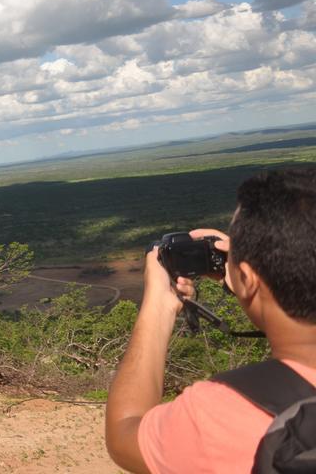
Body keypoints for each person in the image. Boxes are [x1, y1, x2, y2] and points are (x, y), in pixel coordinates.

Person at [105, 168, 316, 473]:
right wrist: (253, 278)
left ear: (246, 278)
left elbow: (123, 432)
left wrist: (158, 306)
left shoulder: (223, 414)